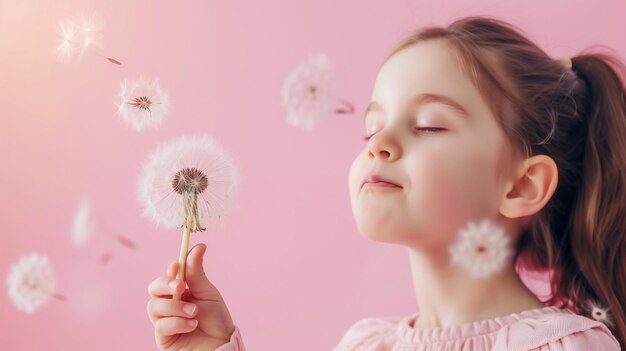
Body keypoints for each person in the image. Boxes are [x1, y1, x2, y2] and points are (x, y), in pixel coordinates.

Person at [147, 15, 626, 350]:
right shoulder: (366, 344)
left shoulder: (568, 346)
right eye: (371, 128)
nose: (379, 145)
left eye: (429, 125)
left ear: (522, 186)